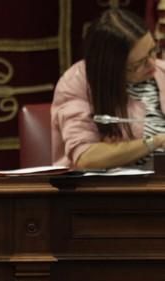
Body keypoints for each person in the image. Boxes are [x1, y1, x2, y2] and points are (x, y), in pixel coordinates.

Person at [52, 8, 165, 169]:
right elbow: (86, 157)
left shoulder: (162, 71)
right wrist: (155, 141)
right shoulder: (77, 82)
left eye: (152, 51)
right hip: (108, 189)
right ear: (111, 68)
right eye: (137, 64)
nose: (152, 64)